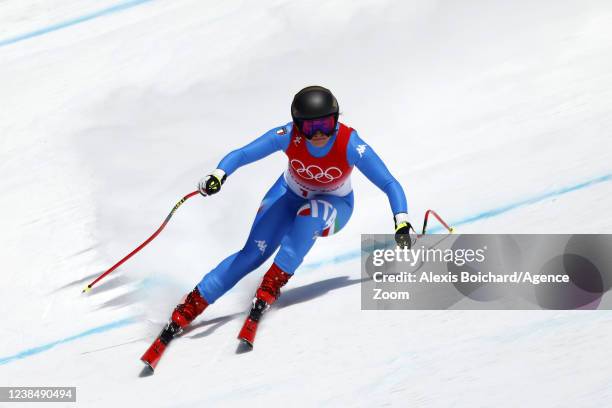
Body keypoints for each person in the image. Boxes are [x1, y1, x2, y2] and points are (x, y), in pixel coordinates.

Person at [142, 86, 414, 367]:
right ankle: (189, 307)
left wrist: (401, 221)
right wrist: (219, 174)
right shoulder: (288, 135)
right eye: (310, 127)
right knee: (250, 255)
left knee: (311, 213)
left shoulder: (351, 143)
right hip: (288, 195)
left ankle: (271, 285)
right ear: (298, 126)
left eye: (326, 124)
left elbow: (390, 183)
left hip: (335, 206)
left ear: (336, 120)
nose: (319, 133)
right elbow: (243, 154)